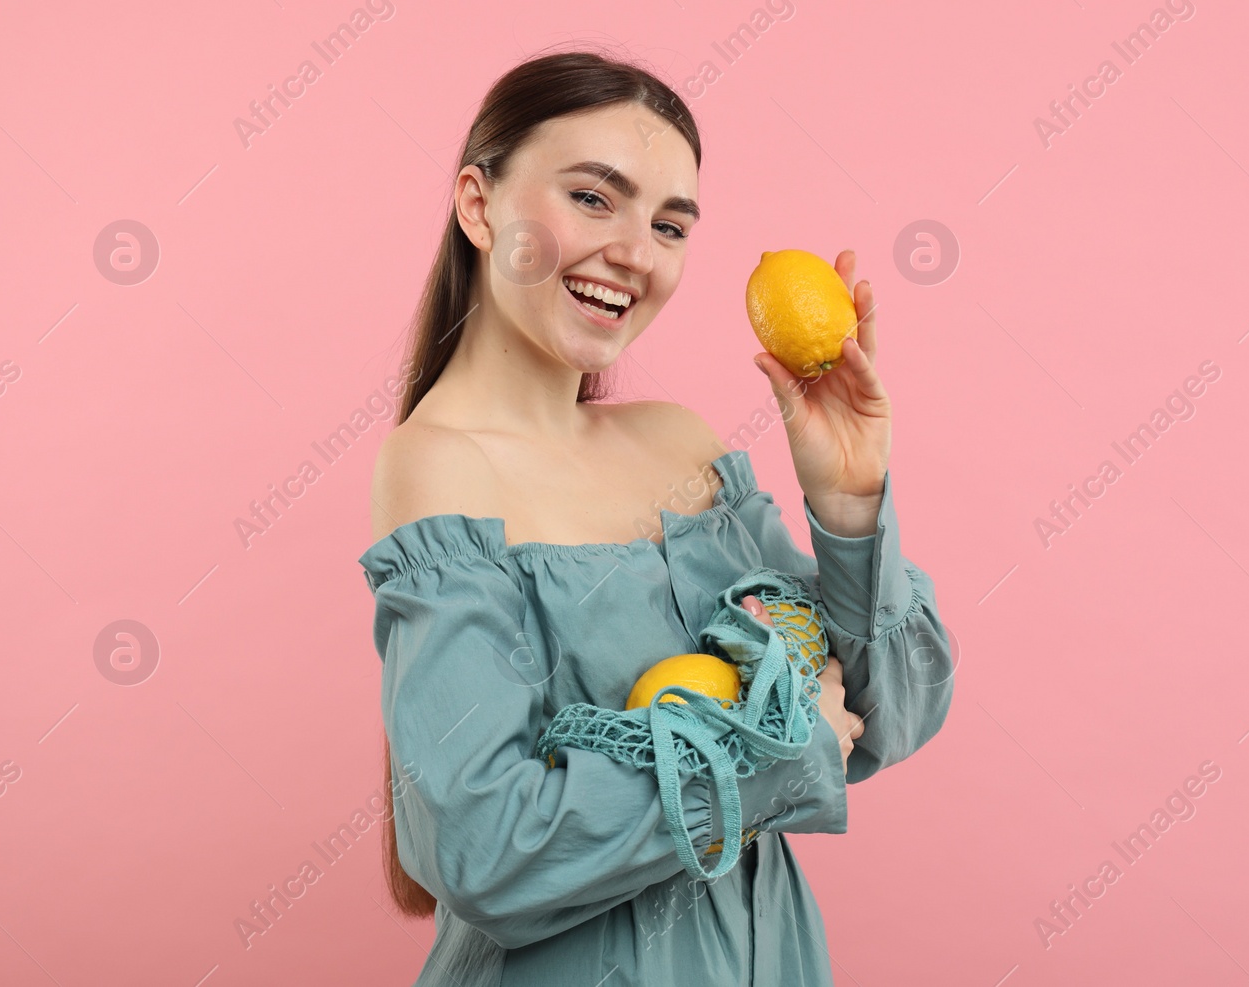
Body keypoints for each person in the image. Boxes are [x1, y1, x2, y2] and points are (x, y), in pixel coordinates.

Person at [357, 48, 955, 986]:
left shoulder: (682, 447)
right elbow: (485, 848)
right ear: (479, 205)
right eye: (594, 198)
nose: (636, 253)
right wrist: (770, 756)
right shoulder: (438, 468)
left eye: (669, 224)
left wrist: (848, 503)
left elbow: (883, 718)